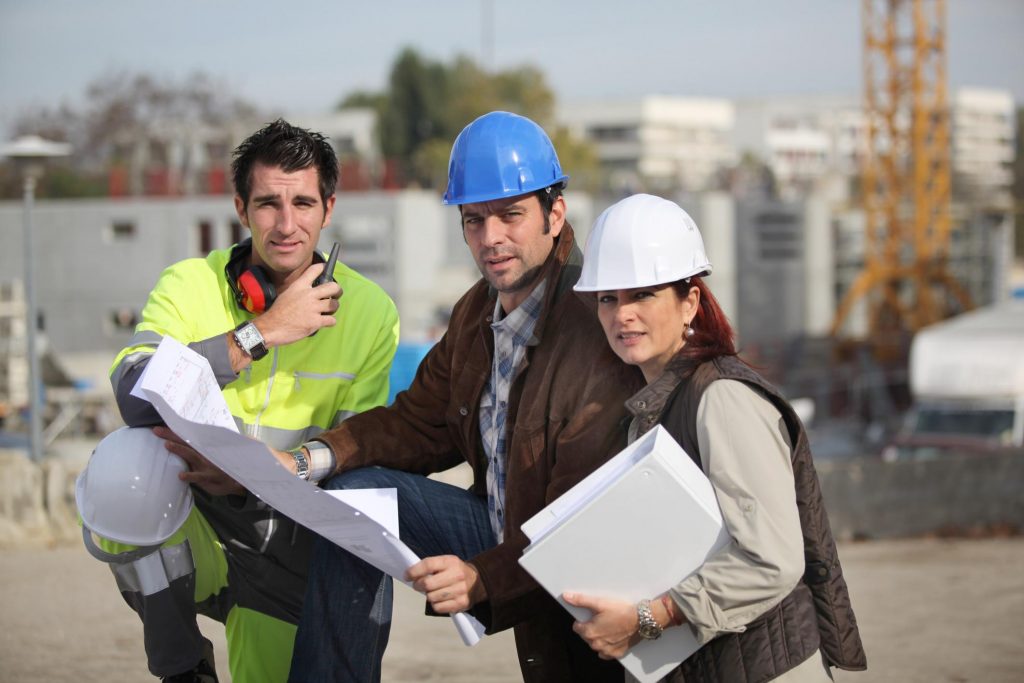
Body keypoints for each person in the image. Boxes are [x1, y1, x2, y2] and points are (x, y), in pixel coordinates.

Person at [277, 111, 644, 683]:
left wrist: (484, 579)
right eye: (474, 220)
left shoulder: (594, 324)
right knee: (353, 494)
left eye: (511, 215)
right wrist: (308, 459)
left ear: (556, 214)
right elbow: (419, 422)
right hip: (497, 522)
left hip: (575, 553)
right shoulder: (476, 312)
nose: (491, 237)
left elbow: (578, 517)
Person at [97, 119, 400, 683]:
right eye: (267, 204)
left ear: (328, 209)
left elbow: (359, 459)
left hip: (286, 542)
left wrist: (250, 476)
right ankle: (184, 669)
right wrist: (261, 332)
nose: (286, 225)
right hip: (192, 518)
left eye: (303, 203)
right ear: (240, 207)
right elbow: (132, 395)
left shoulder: (373, 311)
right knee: (120, 470)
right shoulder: (190, 282)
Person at [564, 194, 867, 682]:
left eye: (642, 294)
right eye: (608, 299)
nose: (622, 315)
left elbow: (771, 560)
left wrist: (648, 619)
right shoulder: (652, 407)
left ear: (690, 302)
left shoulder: (722, 398)